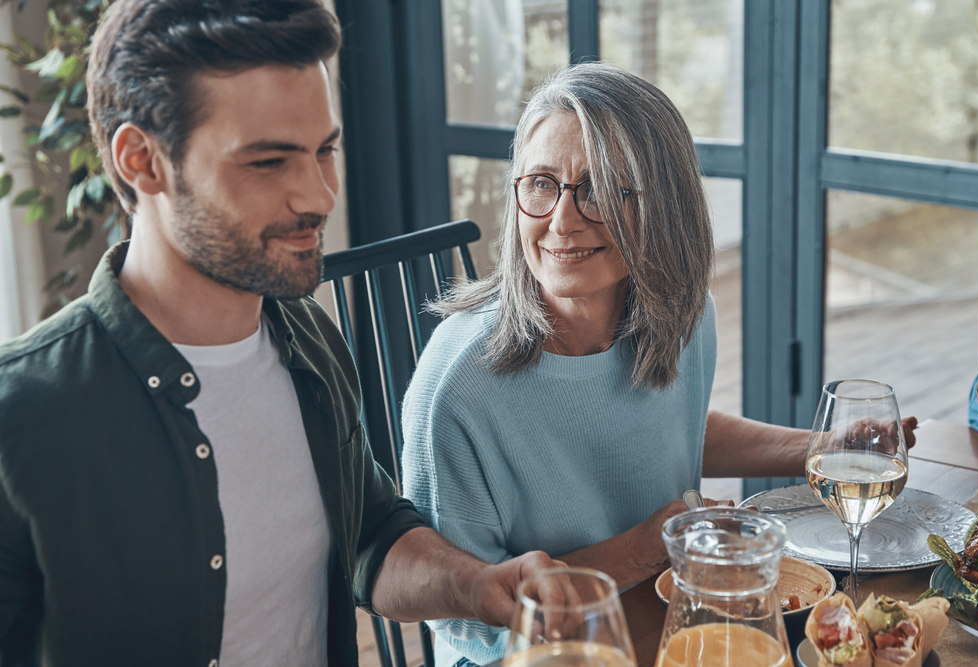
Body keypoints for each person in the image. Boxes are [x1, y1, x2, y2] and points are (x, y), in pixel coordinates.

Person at [0, 1, 565, 665]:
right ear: (142, 161)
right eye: (269, 162)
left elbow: (369, 534)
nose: (320, 195)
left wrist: (479, 585)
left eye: (325, 149)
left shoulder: (309, 338)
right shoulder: (23, 417)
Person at [400, 62, 918, 667]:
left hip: (669, 620)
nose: (562, 221)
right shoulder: (458, 387)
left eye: (599, 189)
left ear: (665, 203)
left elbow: (673, 424)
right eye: (541, 183)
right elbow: (469, 619)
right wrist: (649, 548)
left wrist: (824, 446)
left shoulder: (685, 314)